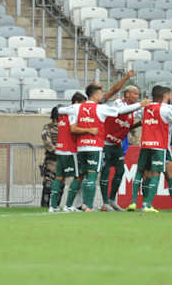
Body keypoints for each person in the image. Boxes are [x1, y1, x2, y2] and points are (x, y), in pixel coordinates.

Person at [58, 83, 147, 212]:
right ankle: (91, 205)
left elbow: (60, 110)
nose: (102, 95)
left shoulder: (78, 107)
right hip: (98, 145)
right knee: (93, 175)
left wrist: (68, 115)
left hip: (85, 146)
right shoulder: (104, 107)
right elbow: (119, 111)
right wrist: (140, 104)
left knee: (82, 175)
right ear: (96, 94)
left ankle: (69, 205)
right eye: (100, 93)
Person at [129, 86, 172, 212]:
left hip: (146, 144)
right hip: (161, 145)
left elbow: (141, 119)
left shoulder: (145, 108)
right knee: (163, 173)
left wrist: (131, 126)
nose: (170, 97)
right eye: (169, 95)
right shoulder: (166, 109)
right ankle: (151, 204)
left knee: (142, 172)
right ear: (165, 96)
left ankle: (135, 202)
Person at [100, 84, 140, 211]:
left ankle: (112, 200)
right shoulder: (118, 103)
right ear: (127, 94)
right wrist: (140, 105)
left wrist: (139, 123)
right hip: (106, 143)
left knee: (120, 171)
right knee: (105, 172)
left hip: (117, 145)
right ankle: (105, 202)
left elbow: (126, 126)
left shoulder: (132, 110)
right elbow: (119, 112)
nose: (137, 97)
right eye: (135, 94)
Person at [48, 92, 86, 212]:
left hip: (60, 149)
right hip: (70, 150)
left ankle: (53, 206)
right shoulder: (73, 114)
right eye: (82, 103)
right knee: (78, 176)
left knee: (59, 177)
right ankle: (69, 206)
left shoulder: (62, 114)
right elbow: (73, 130)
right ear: (76, 102)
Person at [40, 107, 58, 208]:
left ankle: (56, 206)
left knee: (60, 185)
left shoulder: (66, 127)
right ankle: (44, 206)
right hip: (51, 160)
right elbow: (47, 143)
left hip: (63, 159)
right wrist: (59, 151)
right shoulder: (47, 127)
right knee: (48, 184)